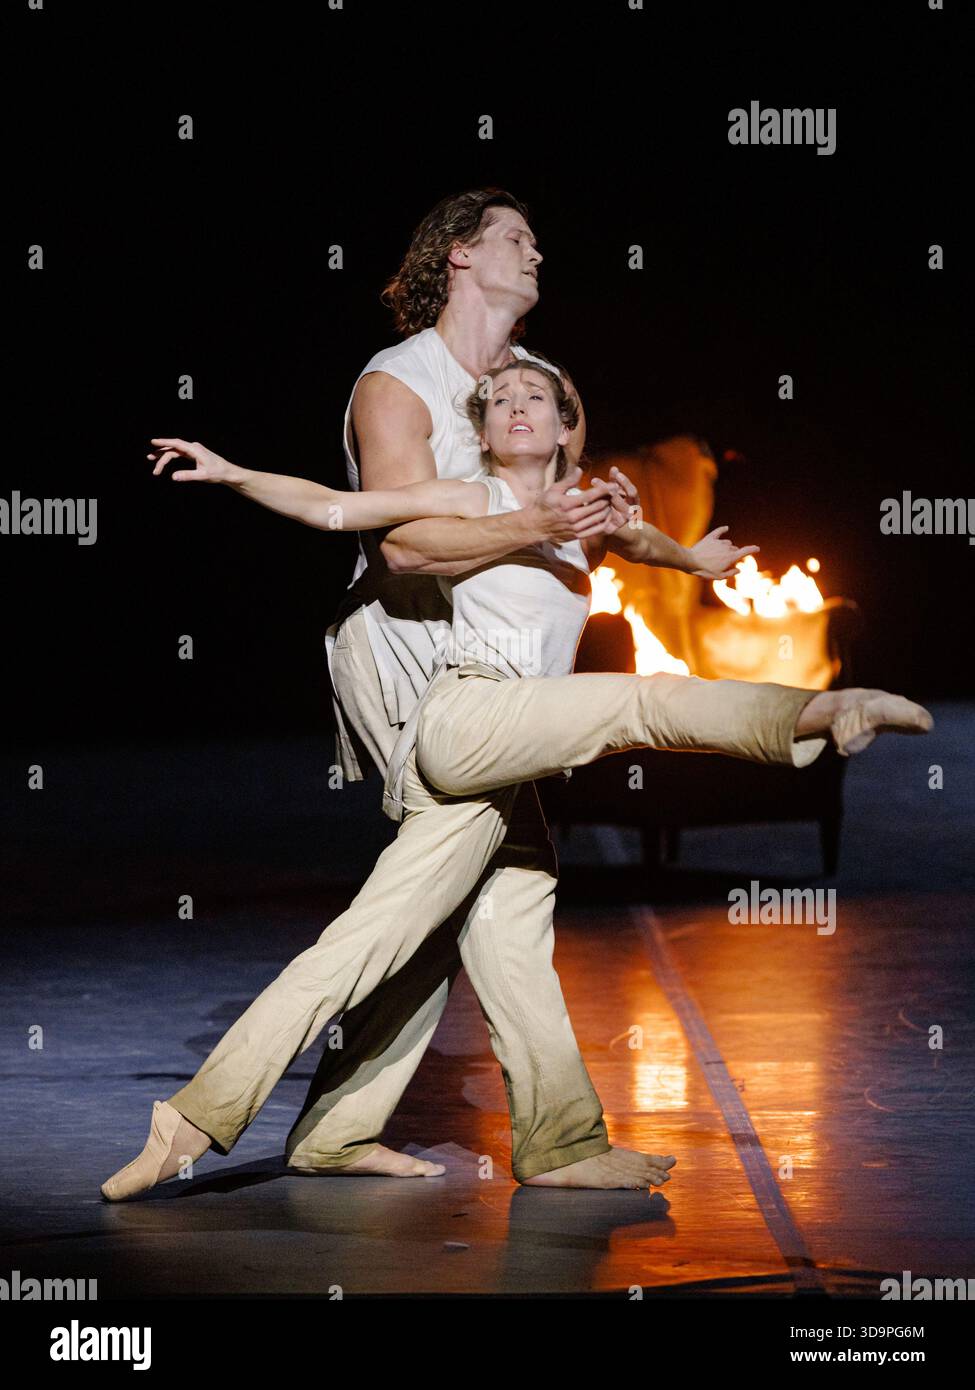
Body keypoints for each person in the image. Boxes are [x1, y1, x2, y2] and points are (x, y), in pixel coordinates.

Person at [100, 359, 932, 1202]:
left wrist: (695, 560)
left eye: (535, 396)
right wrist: (234, 472)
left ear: (568, 426)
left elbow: (643, 544)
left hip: (501, 761)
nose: (515, 406)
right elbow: (336, 508)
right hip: (467, 719)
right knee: (637, 704)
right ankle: (821, 714)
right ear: (486, 431)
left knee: (463, 942)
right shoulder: (470, 498)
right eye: (498, 401)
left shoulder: (588, 511)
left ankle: (397, 1134)